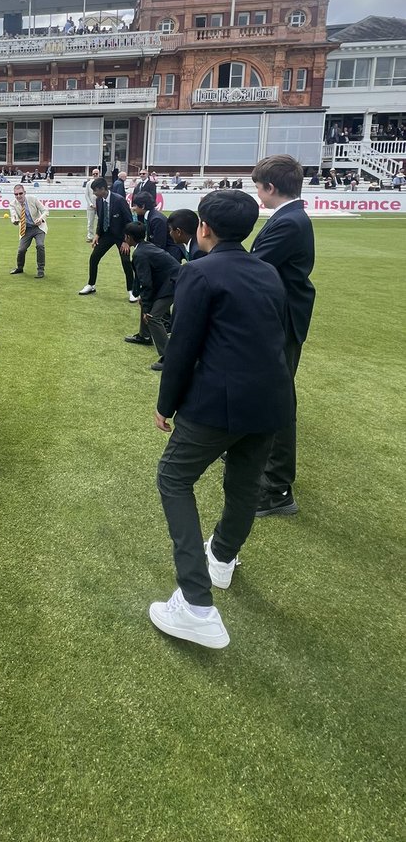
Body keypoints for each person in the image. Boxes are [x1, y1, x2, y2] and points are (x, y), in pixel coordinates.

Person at [149, 190, 293, 649]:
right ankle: (222, 560)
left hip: (220, 402)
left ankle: (195, 602)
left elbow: (182, 345)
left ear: (203, 228)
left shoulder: (199, 271)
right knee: (244, 484)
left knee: (173, 477)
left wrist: (165, 404)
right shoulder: (268, 271)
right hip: (272, 400)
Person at [250, 154, 316, 517]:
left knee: (280, 400)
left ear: (270, 187)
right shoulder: (290, 217)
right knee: (273, 395)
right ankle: (264, 468)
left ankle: (277, 489)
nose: (257, 193)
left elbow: (255, 267)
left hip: (284, 320)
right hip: (283, 316)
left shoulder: (288, 222)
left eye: (259, 186)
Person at [123, 222, 180, 345]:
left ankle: (168, 356)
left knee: (152, 317)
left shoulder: (140, 254)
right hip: (169, 281)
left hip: (173, 284)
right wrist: (141, 296)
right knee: (145, 301)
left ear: (128, 237)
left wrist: (146, 311)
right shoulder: (146, 246)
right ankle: (145, 336)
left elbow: (146, 283)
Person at [78, 176, 134, 299]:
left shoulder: (119, 200)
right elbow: (101, 219)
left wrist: (126, 241)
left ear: (103, 189)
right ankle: (91, 285)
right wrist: (97, 234)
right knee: (94, 258)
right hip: (106, 235)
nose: (93, 193)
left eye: (95, 191)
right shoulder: (99, 200)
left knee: (125, 262)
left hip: (121, 237)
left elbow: (129, 222)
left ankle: (132, 290)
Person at [9, 185, 48, 278]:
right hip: (26, 229)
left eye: (20, 193)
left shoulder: (33, 199)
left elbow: (45, 210)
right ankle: (19, 268)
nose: (18, 196)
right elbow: (13, 215)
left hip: (38, 228)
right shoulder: (12, 204)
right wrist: (14, 221)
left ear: (24, 193)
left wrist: (41, 219)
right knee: (21, 249)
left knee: (40, 245)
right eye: (16, 194)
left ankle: (40, 270)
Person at [83, 167, 101, 242]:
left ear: (99, 174)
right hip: (91, 207)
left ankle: (99, 236)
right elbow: (86, 195)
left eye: (96, 173)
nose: (95, 175)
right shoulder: (89, 183)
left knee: (100, 222)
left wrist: (100, 205)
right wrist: (91, 204)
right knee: (90, 222)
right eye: (93, 174)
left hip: (100, 206)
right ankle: (90, 236)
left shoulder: (102, 182)